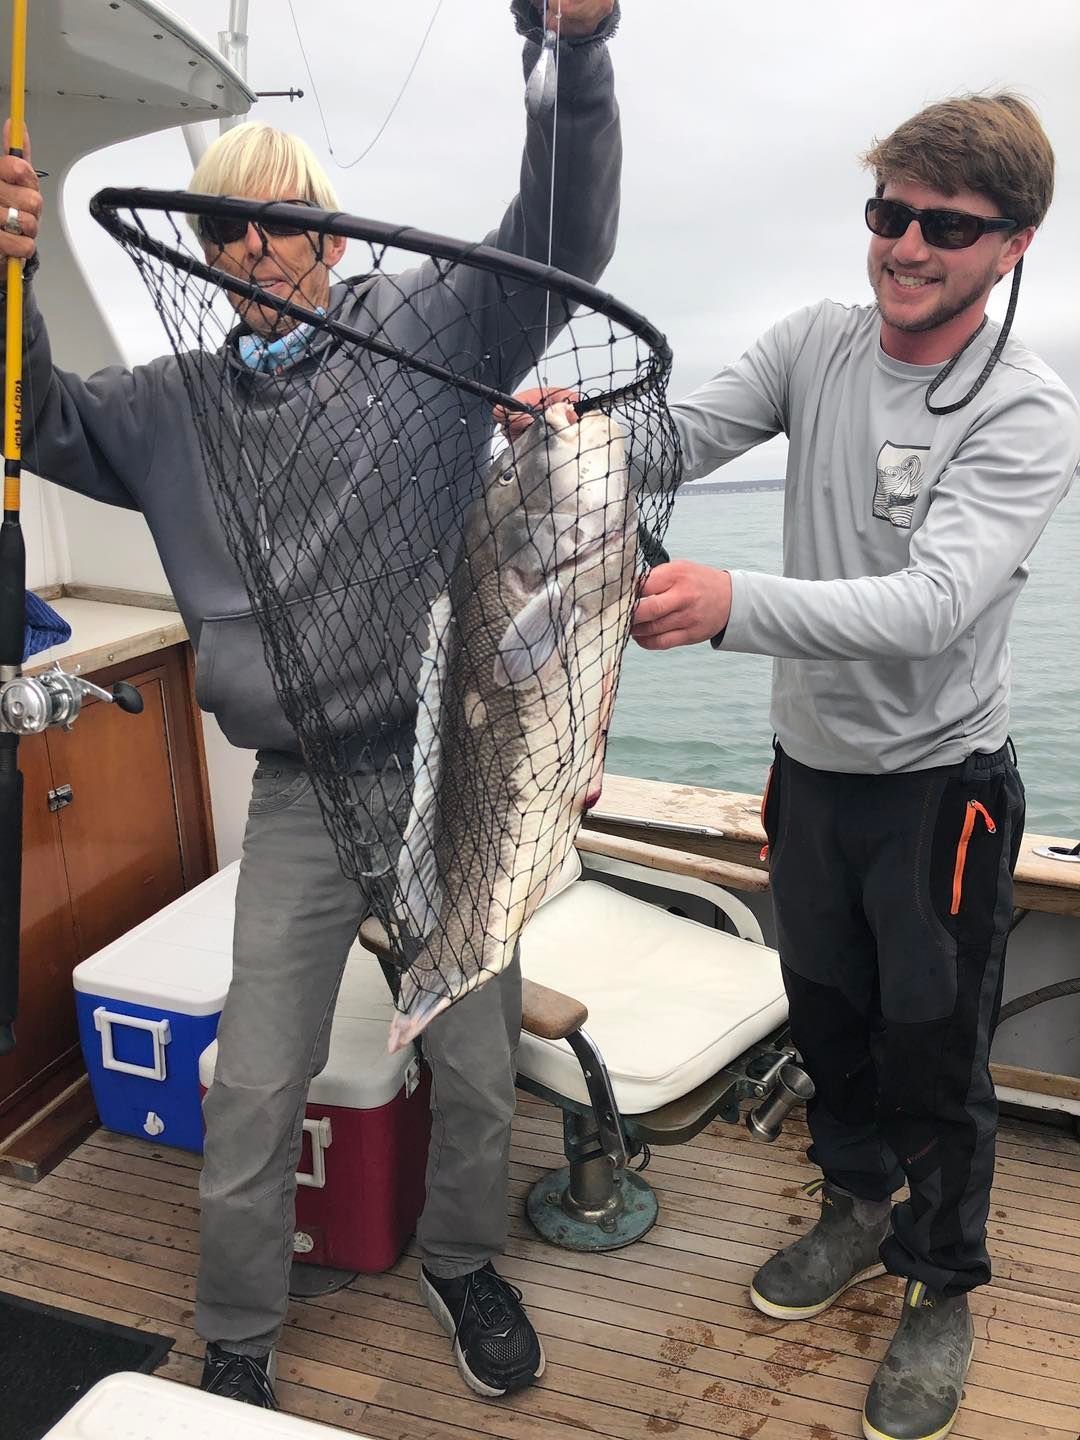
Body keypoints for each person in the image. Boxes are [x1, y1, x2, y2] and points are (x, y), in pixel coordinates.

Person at [0, 0, 621, 1409]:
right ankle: (238, 1334)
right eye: (226, 229)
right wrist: (8, 273)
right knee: (254, 1079)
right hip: (296, 788)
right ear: (207, 253)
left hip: (446, 771)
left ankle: (463, 1262)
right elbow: (32, 411)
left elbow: (563, 237)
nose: (253, 248)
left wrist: (575, 56)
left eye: (282, 224)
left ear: (332, 240)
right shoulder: (165, 404)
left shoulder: (428, 330)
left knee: (473, 1063)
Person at [627, 93, 1080, 1440]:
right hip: (808, 774)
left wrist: (732, 603)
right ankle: (855, 1208)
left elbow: (932, 606)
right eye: (891, 213)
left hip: (941, 793)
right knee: (826, 1019)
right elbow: (676, 439)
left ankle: (939, 1284)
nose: (908, 245)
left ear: (1015, 243)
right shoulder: (813, 344)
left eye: (948, 225)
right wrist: (578, 430)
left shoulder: (1025, 407)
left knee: (936, 1055)